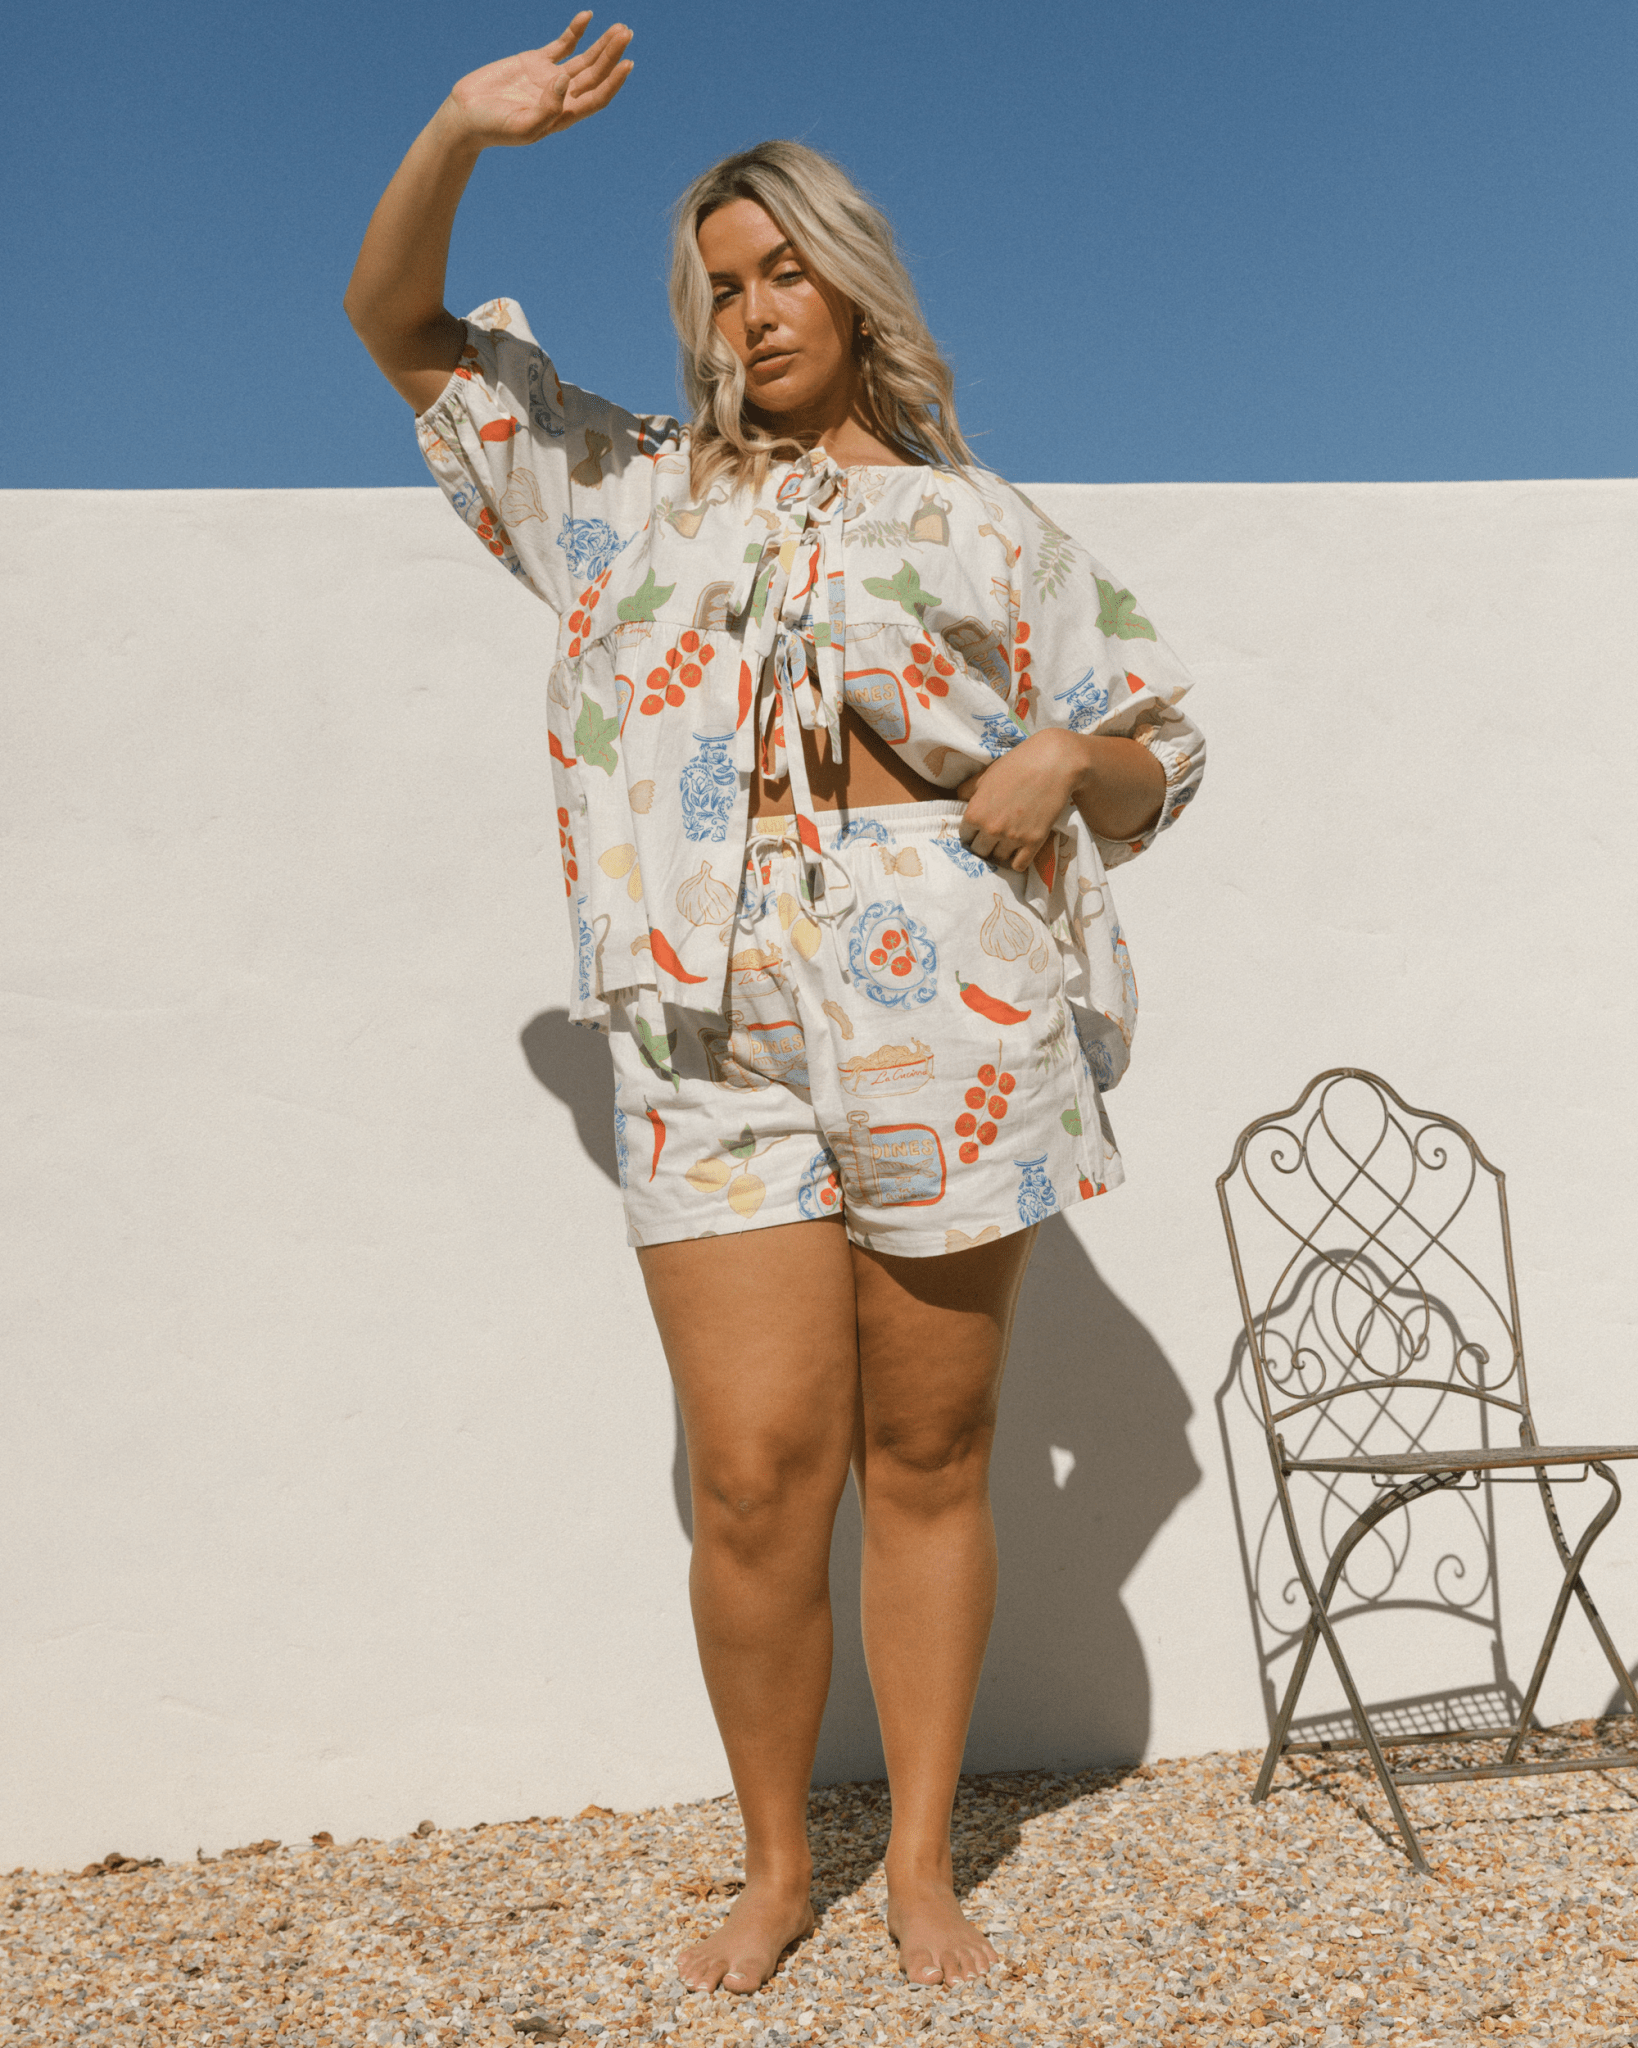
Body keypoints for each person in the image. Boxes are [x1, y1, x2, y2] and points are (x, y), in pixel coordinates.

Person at [345, 12, 1205, 1997]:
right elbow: (397, 326)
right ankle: (769, 1865)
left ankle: (915, 1865)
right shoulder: (624, 494)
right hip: (703, 1024)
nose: (750, 313)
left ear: (853, 279)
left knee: (932, 1453)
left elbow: (1162, 750)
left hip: (949, 1005)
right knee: (750, 1474)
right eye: (720, 287)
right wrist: (460, 127)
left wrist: (1068, 762)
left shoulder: (991, 526)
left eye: (781, 270)